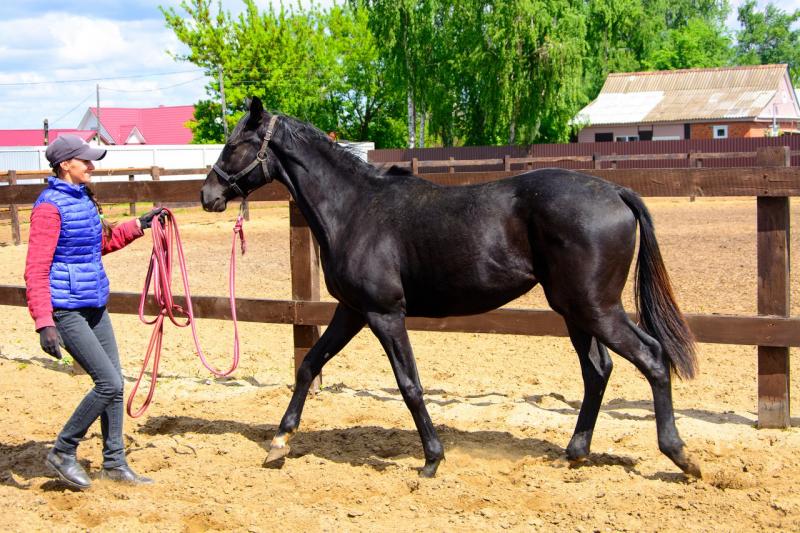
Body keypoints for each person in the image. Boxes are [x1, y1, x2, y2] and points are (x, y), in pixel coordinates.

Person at [24, 134, 165, 490]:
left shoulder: (83, 199)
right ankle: (63, 450)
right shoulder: (48, 208)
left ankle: (114, 463)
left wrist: (140, 224)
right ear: (65, 165)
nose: (91, 166)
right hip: (66, 309)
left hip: (94, 304)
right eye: (84, 160)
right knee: (109, 383)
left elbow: (98, 245)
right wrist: (43, 321)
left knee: (115, 384)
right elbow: (36, 268)